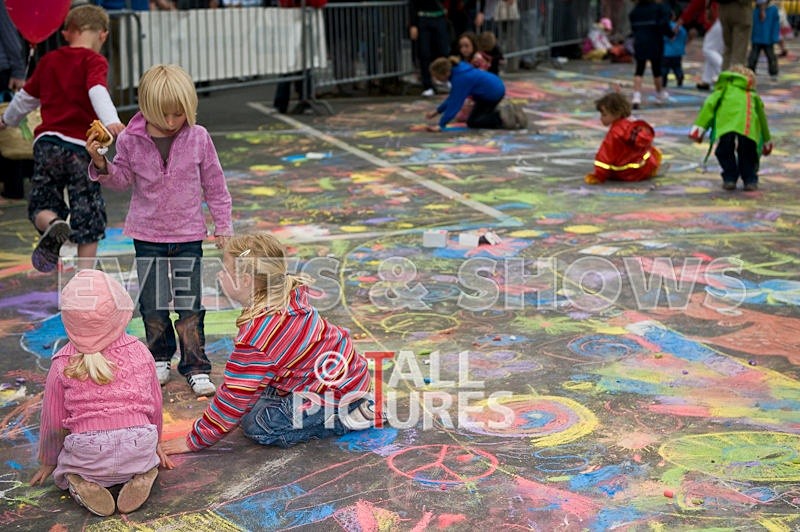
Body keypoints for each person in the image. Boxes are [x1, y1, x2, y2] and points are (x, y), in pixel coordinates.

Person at [85, 64, 233, 397]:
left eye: (178, 114)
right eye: (162, 114)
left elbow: (215, 185)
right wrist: (101, 163)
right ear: (146, 108)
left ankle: (196, 366)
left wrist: (223, 225)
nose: (170, 121)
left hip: (188, 235)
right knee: (152, 304)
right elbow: (121, 180)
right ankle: (158, 357)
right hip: (147, 235)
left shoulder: (198, 137)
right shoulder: (130, 139)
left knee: (190, 305)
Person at [161, 232, 378, 455]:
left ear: (246, 280)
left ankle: (348, 417)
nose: (219, 274)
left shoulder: (260, 334)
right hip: (341, 377)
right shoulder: (283, 295)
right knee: (248, 403)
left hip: (338, 394)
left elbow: (235, 395)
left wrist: (194, 440)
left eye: (225, 270)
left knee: (258, 424)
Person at [29, 269, 173, 517]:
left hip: (90, 454)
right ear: (120, 312)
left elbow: (53, 421)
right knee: (143, 459)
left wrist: (49, 460)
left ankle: (82, 483)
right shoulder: (140, 351)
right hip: (138, 446)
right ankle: (144, 472)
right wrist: (156, 444)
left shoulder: (62, 361)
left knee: (68, 469)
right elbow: (155, 405)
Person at [0, 5, 125, 273]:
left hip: (47, 145)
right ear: (103, 35)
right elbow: (97, 90)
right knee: (88, 210)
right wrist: (111, 120)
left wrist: (6, 120)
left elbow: (25, 98)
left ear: (67, 33)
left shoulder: (49, 60)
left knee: (41, 203)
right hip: (81, 148)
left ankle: (53, 223)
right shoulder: (94, 61)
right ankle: (85, 275)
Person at [689, 65, 772, 191]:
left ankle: (730, 177)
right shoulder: (752, 95)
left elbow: (708, 107)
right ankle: (749, 180)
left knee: (724, 150)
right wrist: (767, 140)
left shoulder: (723, 90)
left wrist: (699, 129)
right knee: (748, 151)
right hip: (747, 126)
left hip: (726, 125)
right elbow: (762, 119)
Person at [425, 56, 526, 130]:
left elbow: (455, 104)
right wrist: (436, 112)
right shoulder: (458, 70)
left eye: (437, 77)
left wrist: (441, 125)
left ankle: (501, 118)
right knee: (474, 118)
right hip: (493, 88)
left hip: (492, 94)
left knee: (474, 122)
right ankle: (504, 113)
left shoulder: (460, 79)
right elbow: (452, 98)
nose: (436, 79)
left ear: (446, 73)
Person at [585, 92, 662, 184]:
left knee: (611, 164)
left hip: (626, 174)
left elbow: (604, 157)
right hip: (643, 169)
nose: (601, 118)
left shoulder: (614, 133)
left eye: (604, 115)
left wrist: (598, 176)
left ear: (617, 113)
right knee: (653, 151)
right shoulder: (633, 126)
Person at [628, 0, 674, 109]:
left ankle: (636, 97)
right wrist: (670, 34)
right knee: (656, 68)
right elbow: (664, 24)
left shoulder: (634, 11)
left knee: (639, 69)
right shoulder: (658, 8)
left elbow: (633, 28)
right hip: (655, 41)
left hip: (640, 41)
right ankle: (659, 94)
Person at [676, 0, 721, 91]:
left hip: (716, 19)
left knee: (708, 49)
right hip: (722, 17)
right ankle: (706, 80)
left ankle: (724, 72)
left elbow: (695, 5)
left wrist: (682, 19)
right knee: (714, 49)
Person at [409, 0, 451, 97]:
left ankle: (445, 78)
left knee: (443, 51)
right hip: (423, 17)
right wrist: (413, 24)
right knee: (424, 53)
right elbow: (413, 4)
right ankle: (428, 85)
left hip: (439, 16)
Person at [747, 0, 780, 80]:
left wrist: (775, 37)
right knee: (753, 57)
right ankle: (750, 72)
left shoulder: (773, 10)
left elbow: (776, 24)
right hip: (756, 38)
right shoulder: (754, 10)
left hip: (768, 39)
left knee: (771, 56)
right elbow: (751, 24)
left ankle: (773, 72)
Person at [717, 0, 753, 70]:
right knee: (739, 51)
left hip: (723, 9)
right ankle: (735, 75)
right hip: (741, 9)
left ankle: (725, 74)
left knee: (728, 49)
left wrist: (708, 8)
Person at [663, 14, 688, 87]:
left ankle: (664, 81)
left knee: (664, 68)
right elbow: (684, 39)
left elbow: (663, 38)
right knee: (677, 67)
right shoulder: (682, 28)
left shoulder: (665, 26)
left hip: (666, 52)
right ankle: (679, 77)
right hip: (678, 52)